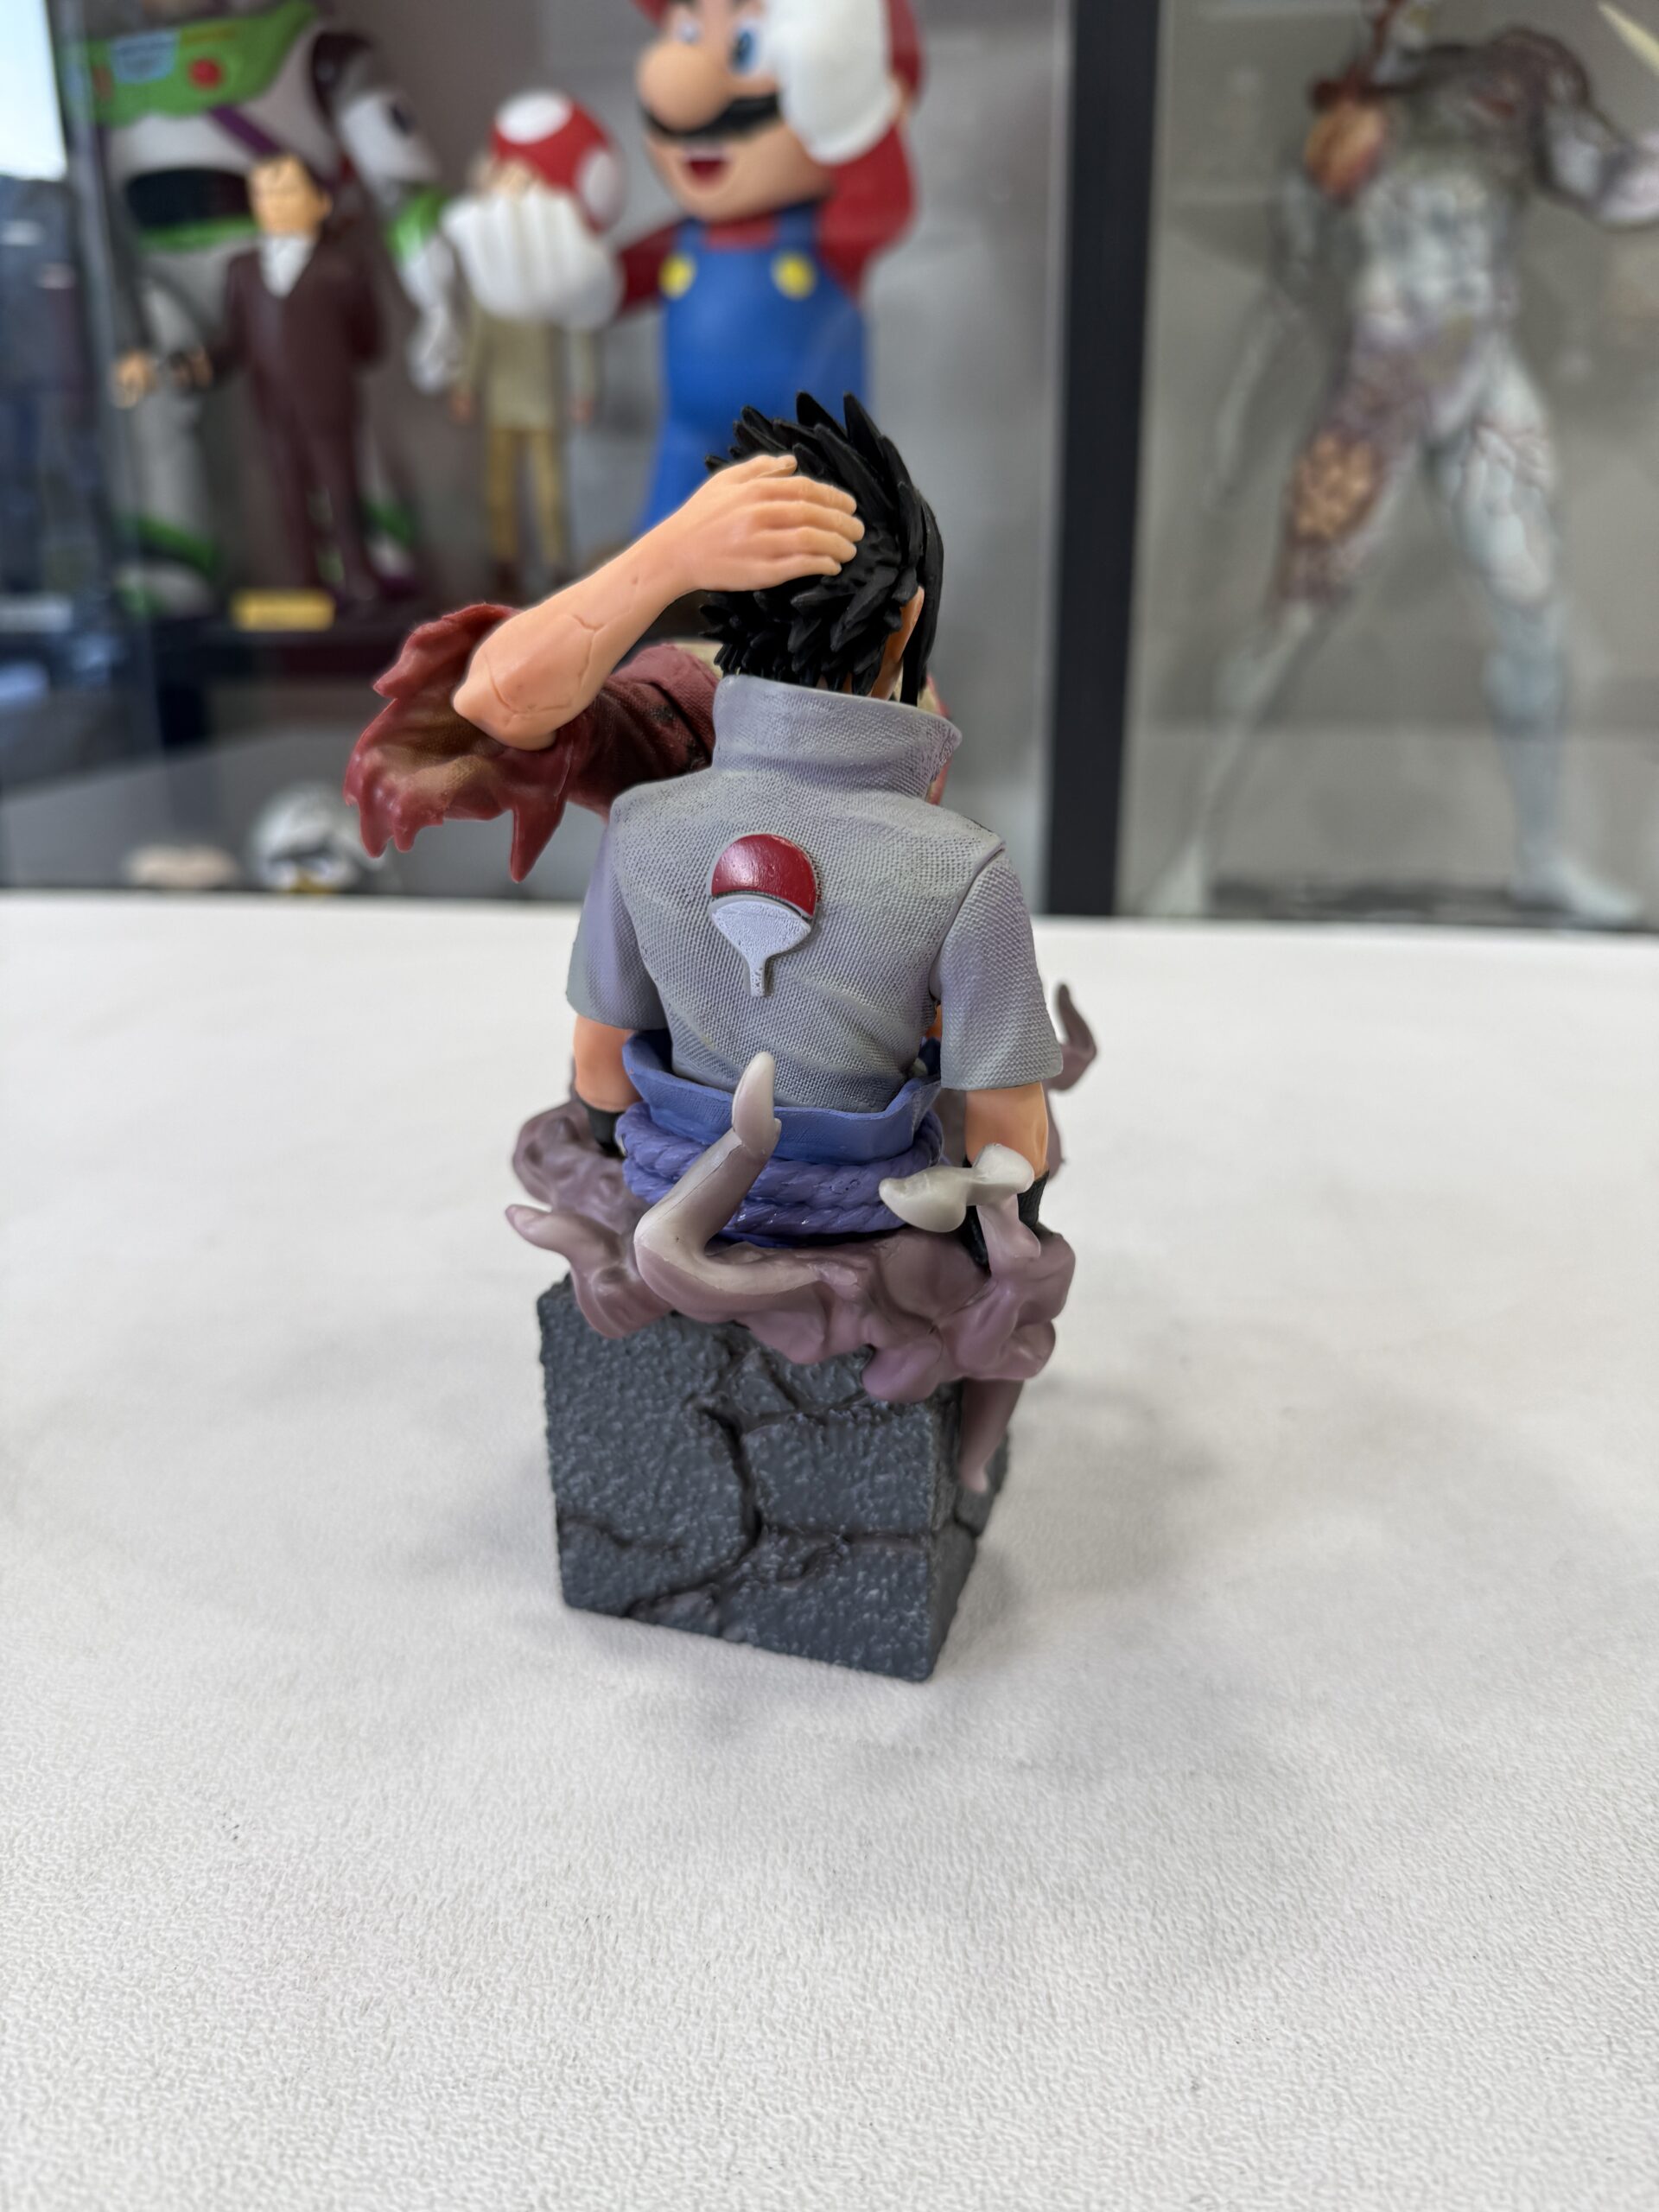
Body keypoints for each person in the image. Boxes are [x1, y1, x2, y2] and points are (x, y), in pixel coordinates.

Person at [202, 153, 384, 603]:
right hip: (271, 402)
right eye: (264, 194)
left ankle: (358, 575)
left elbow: (368, 340)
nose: (275, 203)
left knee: (342, 487)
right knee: (288, 490)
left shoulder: (340, 267)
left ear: (320, 202)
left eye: (286, 191)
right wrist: (196, 365)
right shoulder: (242, 270)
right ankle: (306, 578)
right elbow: (235, 338)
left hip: (328, 399)